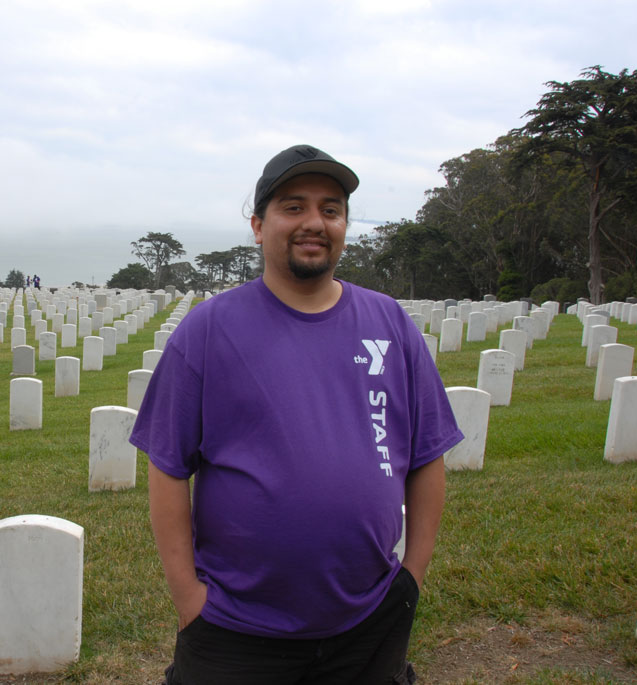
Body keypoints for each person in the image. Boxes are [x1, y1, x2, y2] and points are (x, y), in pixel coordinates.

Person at [130, 144, 464, 684]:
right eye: (294, 207)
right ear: (260, 226)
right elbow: (168, 466)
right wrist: (189, 596)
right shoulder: (208, 331)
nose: (315, 222)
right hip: (235, 628)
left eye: (331, 209)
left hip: (371, 618)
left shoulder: (390, 324)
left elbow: (426, 454)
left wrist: (413, 576)